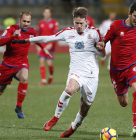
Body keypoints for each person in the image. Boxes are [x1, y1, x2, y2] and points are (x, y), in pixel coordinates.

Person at [12, 7, 105, 138]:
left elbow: (103, 54)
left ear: (86, 22)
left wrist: (101, 48)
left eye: (81, 23)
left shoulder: (95, 33)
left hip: (91, 75)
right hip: (76, 72)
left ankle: (73, 127)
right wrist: (26, 40)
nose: (78, 26)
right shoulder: (68, 32)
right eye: (76, 23)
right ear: (73, 21)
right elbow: (48, 38)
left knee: (84, 109)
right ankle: (54, 118)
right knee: (69, 89)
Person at [97, 1, 136, 137]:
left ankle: (135, 127)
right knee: (124, 103)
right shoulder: (116, 26)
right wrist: (101, 44)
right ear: (129, 14)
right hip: (116, 71)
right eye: (135, 16)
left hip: (133, 65)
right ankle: (122, 90)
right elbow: (105, 39)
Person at [0, 12, 50, 119]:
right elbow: (0, 42)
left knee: (24, 77)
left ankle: (18, 107)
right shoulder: (11, 29)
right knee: (1, 90)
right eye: (24, 21)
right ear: (19, 20)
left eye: (28, 22)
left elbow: (36, 39)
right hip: (7, 64)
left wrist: (43, 48)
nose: (26, 23)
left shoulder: (32, 31)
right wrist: (13, 36)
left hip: (21, 63)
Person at [37, 7, 59, 85]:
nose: (46, 14)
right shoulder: (40, 22)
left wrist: (51, 43)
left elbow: (56, 35)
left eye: (48, 12)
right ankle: (43, 80)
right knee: (42, 62)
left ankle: (51, 75)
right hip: (42, 45)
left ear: (50, 13)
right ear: (43, 13)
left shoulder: (55, 23)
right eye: (45, 12)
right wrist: (38, 44)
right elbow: (39, 34)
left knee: (49, 64)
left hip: (50, 45)